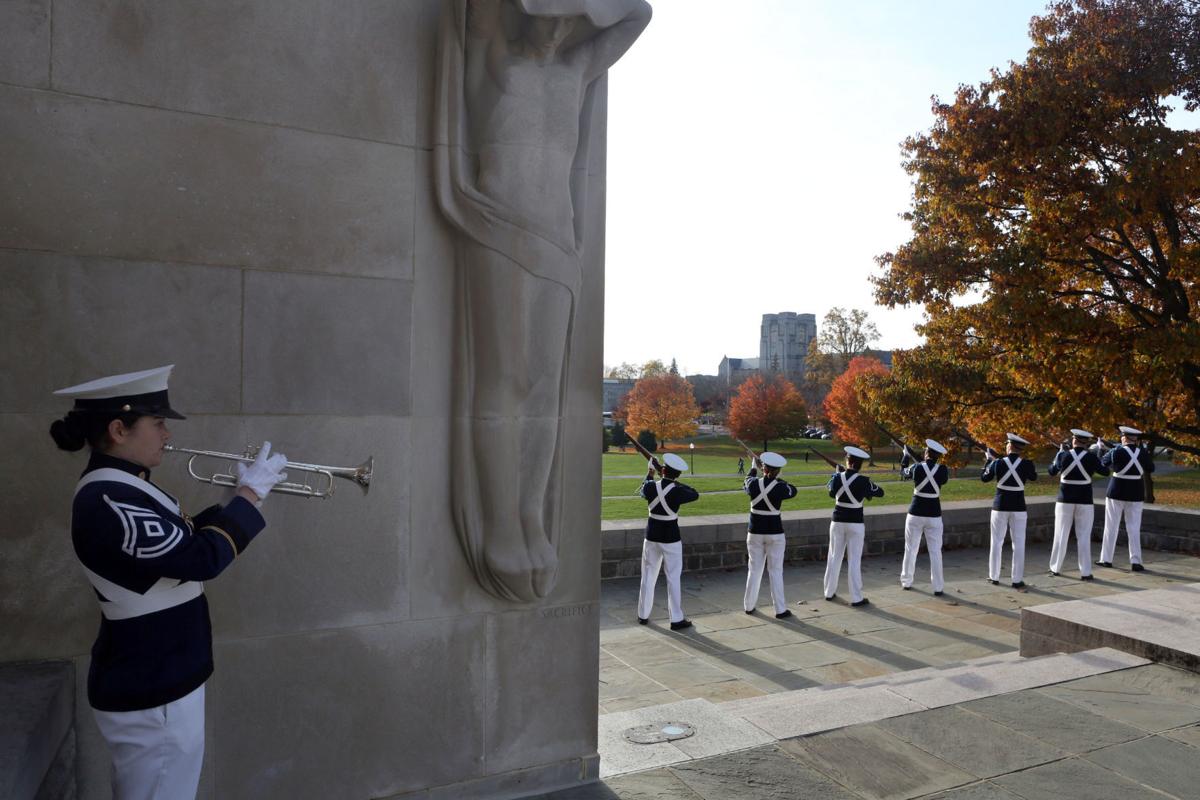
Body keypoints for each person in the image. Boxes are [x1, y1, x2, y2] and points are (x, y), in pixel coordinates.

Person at [50, 365, 288, 800]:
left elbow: (180, 540)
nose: (167, 435)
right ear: (119, 429)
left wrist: (232, 502)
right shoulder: (108, 498)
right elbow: (199, 558)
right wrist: (249, 499)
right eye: (157, 423)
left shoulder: (126, 487)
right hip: (152, 683)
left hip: (161, 674)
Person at [637, 452, 699, 630]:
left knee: (648, 576)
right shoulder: (678, 490)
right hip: (671, 537)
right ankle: (676, 618)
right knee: (673, 578)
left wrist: (650, 473)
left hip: (651, 536)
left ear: (661, 470)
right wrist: (674, 482)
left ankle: (643, 614)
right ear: (677, 474)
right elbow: (694, 494)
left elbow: (644, 489)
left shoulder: (650, 487)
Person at [824, 445, 885, 606]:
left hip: (837, 521)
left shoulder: (836, 478)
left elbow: (830, 491)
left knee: (833, 557)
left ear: (847, 460)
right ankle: (856, 597)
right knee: (854, 560)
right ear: (860, 464)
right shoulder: (864, 481)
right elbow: (880, 492)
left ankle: (829, 592)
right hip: (856, 524)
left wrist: (838, 474)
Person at [742, 451, 799, 618]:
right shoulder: (781, 487)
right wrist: (774, 477)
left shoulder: (752, 483)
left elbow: (746, 481)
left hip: (755, 532)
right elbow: (793, 491)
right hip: (774, 533)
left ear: (763, 468)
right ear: (778, 470)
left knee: (754, 570)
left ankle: (749, 605)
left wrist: (753, 469)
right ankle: (780, 609)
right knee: (775, 571)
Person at [1047, 429, 1109, 580]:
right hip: (1085, 500)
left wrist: (1057, 457)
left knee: (1060, 535)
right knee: (1084, 536)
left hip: (1065, 499)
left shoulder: (1063, 455)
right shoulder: (1091, 457)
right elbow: (1105, 472)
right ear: (1086, 442)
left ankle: (1055, 568)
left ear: (1074, 440)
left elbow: (1051, 471)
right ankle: (1085, 572)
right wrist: (1099, 454)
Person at [981, 433, 1038, 588]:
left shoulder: (998, 463)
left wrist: (988, 461)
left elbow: (984, 478)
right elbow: (1033, 477)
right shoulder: (1027, 464)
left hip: (1000, 506)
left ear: (1010, 446)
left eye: (1007, 444)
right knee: (1019, 543)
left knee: (996, 542)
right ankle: (1017, 579)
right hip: (1019, 506)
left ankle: (994, 576)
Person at [1099, 425, 1155, 571]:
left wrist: (1104, 449)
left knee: (1111, 526)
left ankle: (1106, 559)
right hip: (1136, 492)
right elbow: (1150, 468)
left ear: (1124, 437)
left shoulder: (1117, 451)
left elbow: (1103, 463)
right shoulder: (1141, 453)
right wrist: (1141, 451)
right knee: (1134, 527)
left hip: (1116, 491)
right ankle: (1136, 561)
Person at [899, 439, 949, 595]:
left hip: (915, 512)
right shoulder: (943, 470)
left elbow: (903, 473)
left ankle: (907, 581)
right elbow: (943, 480)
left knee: (910, 549)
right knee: (935, 552)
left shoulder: (916, 467)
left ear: (926, 453)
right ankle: (938, 587)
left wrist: (905, 456)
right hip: (934, 514)